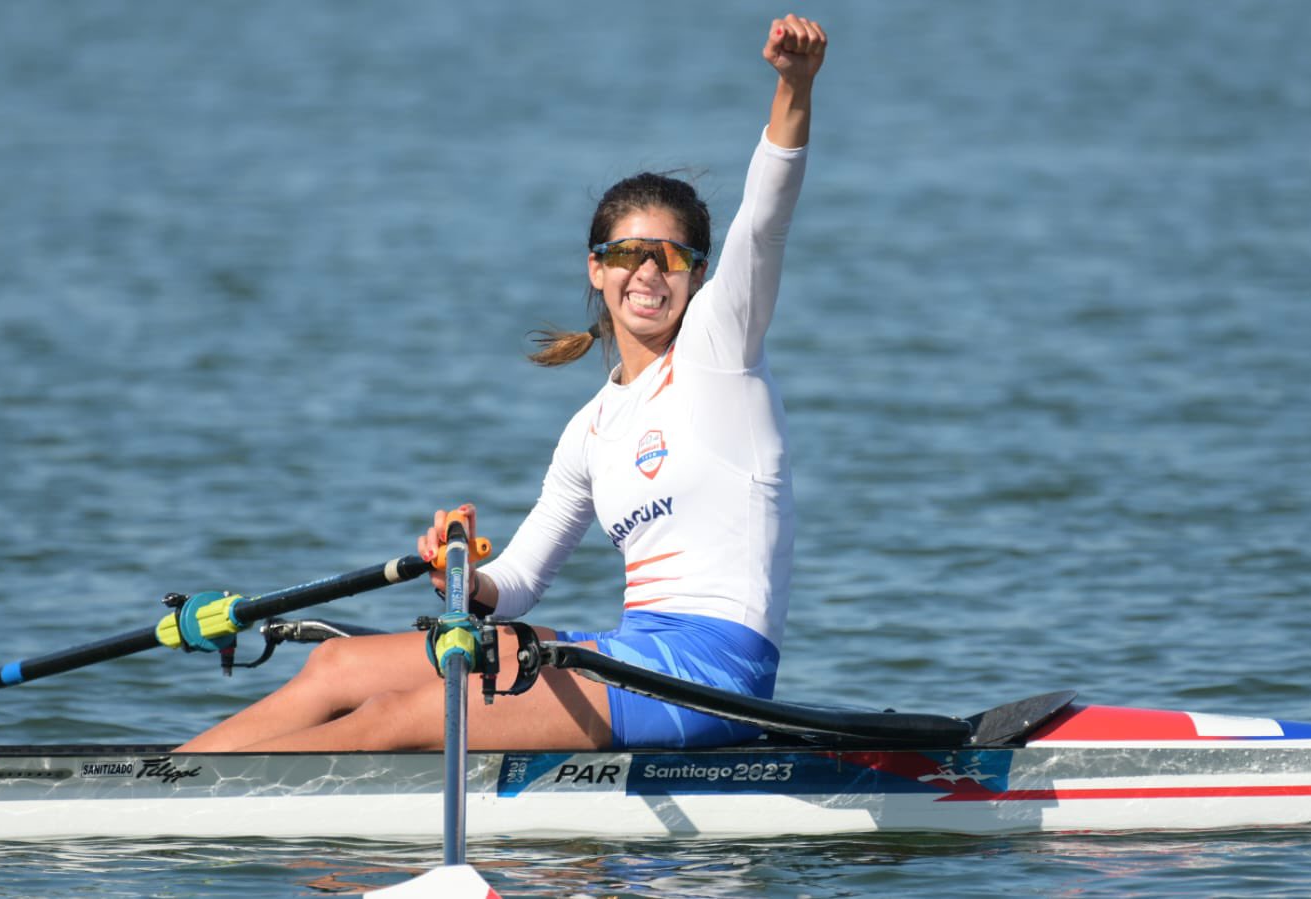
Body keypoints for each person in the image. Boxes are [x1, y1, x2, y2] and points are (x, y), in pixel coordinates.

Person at [177, 14, 827, 754]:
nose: (647, 271)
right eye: (627, 252)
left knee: (398, 716)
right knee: (338, 664)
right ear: (596, 268)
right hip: (632, 653)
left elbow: (766, 215)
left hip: (710, 681)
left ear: (699, 276)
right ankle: (166, 774)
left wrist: (793, 85)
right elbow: (514, 583)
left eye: (669, 257)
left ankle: (177, 804)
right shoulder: (591, 429)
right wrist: (462, 577)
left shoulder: (720, 349)